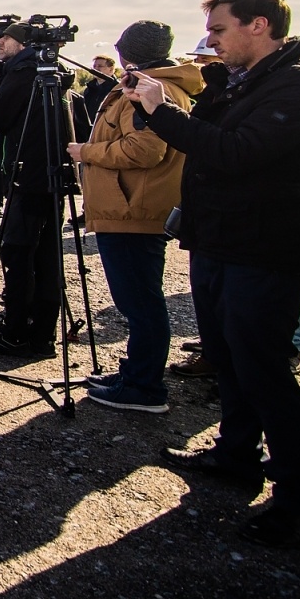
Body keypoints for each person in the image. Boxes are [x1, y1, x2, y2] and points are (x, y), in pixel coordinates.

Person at [125, 0, 300, 548]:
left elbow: (234, 152)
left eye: (219, 30)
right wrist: (208, 90)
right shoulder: (245, 82)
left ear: (259, 25)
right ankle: (236, 454)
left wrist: (162, 112)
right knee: (227, 358)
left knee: (264, 368)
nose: (210, 41)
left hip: (267, 248)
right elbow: (214, 138)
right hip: (219, 240)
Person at [67, 21, 203, 413]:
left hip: (133, 209)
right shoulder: (152, 84)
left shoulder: (149, 89)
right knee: (138, 300)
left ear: (128, 52)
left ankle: (144, 386)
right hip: (129, 206)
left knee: (140, 302)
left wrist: (86, 153)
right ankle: (135, 373)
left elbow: (145, 151)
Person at [0, 23, 63, 358]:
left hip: (29, 180)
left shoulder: (24, 74)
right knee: (45, 258)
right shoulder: (44, 72)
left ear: (21, 43)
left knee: (19, 254)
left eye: (4, 39)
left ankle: (17, 331)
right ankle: (40, 331)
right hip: (44, 179)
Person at [81, 55, 119, 123]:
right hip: (89, 130)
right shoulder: (89, 89)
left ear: (111, 69)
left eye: (100, 66)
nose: (96, 68)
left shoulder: (118, 89)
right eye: (94, 66)